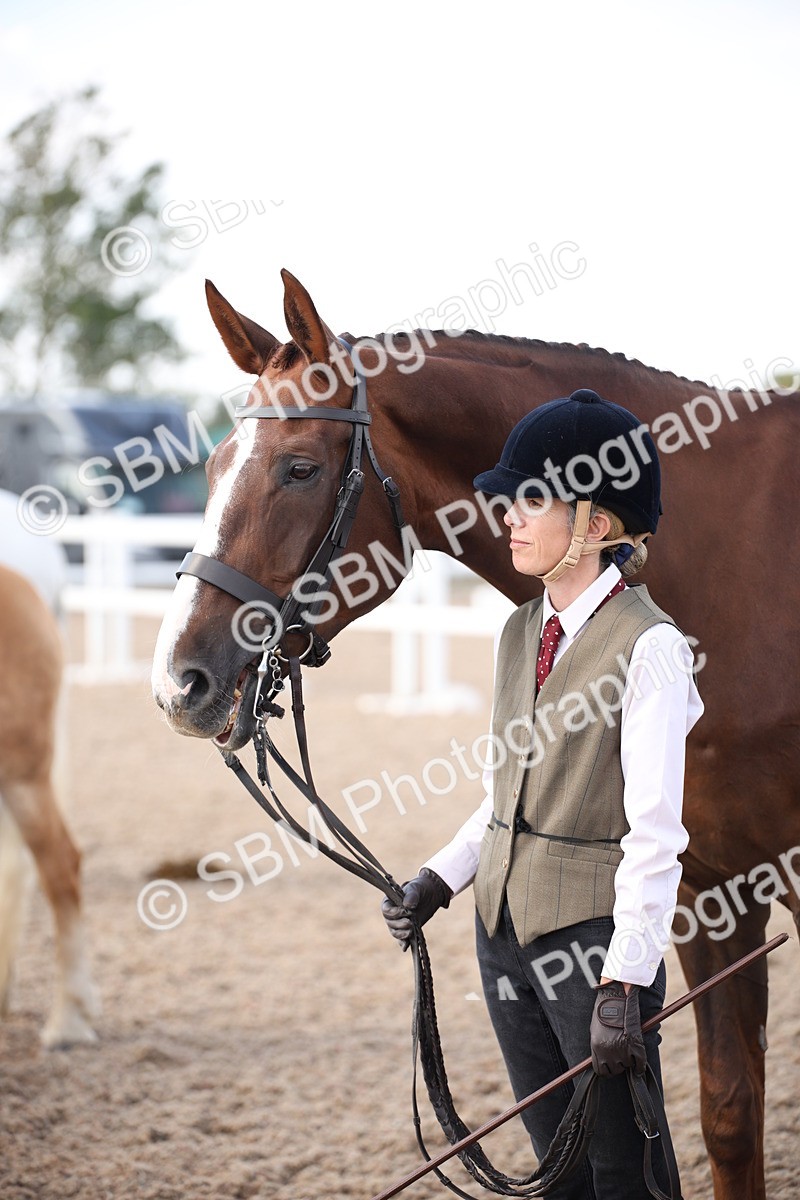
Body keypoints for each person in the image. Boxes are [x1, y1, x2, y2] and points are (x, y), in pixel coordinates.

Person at [382, 388, 703, 1200]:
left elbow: (655, 833)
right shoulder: (520, 630)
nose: (511, 519)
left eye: (533, 500)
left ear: (596, 525)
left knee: (621, 1172)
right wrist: (442, 876)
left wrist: (626, 982)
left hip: (594, 946)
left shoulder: (652, 646)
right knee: (554, 1165)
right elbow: (511, 789)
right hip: (502, 931)